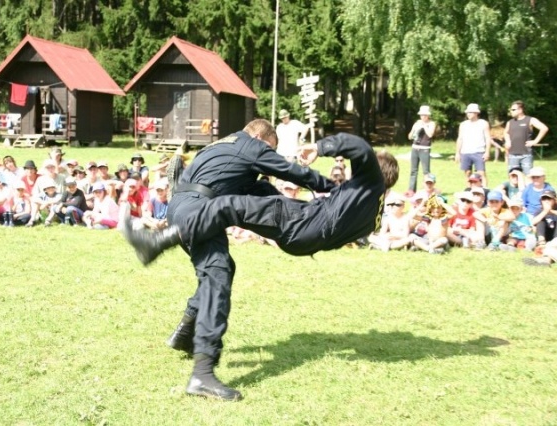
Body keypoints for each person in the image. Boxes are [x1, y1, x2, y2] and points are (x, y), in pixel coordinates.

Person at [122, 130, 396, 400]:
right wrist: (333, 191)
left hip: (301, 222)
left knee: (228, 209)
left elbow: (359, 147)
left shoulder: (368, 179)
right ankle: (186, 337)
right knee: (226, 253)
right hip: (306, 241)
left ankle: (158, 242)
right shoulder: (375, 212)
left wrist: (321, 147)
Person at [504, 100, 549, 176]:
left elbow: (544, 128)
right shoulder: (510, 122)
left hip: (526, 154)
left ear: (520, 110)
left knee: (528, 176)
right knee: (513, 177)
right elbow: (505, 132)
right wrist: (508, 141)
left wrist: (535, 141)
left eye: (513, 110)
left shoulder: (530, 120)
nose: (511, 111)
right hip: (513, 154)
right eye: (511, 110)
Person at [455, 103, 492, 187]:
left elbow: (487, 138)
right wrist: (457, 153)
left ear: (476, 113)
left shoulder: (483, 123)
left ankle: (484, 190)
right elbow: (460, 139)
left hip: (479, 151)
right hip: (465, 152)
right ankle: (469, 190)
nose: (468, 114)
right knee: (467, 173)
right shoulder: (463, 124)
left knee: (481, 173)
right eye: (467, 112)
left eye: (470, 112)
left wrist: (487, 152)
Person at [407, 105, 436, 196]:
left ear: (428, 115)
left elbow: (430, 135)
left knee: (426, 171)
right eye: (421, 115)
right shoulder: (417, 123)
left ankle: (426, 190)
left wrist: (424, 126)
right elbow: (410, 136)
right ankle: (411, 190)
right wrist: (414, 129)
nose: (422, 117)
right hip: (415, 147)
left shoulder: (431, 123)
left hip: (425, 149)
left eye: (424, 115)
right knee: (413, 170)